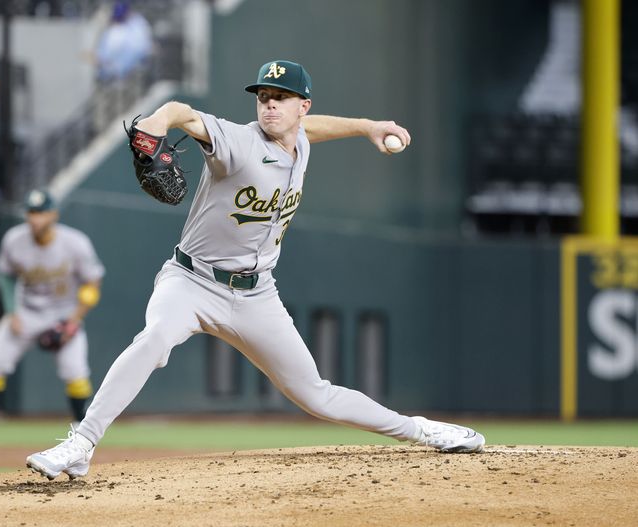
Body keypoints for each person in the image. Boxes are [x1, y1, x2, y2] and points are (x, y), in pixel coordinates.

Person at [26, 60, 486, 481]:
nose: (269, 105)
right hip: (190, 281)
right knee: (155, 338)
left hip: (256, 296)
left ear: (301, 106)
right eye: (263, 97)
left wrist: (367, 127)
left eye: (280, 97)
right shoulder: (239, 141)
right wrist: (156, 123)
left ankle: (421, 431)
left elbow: (313, 131)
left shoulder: (299, 140)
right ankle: (82, 444)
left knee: (314, 394)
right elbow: (183, 112)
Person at [0, 188, 105, 449]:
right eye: (31, 212)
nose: (35, 218)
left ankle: (82, 435)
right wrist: (11, 311)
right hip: (27, 311)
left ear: (53, 215)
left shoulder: (75, 243)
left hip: (63, 313)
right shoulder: (14, 240)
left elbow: (92, 282)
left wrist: (74, 320)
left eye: (40, 213)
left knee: (75, 371)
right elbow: (5, 275)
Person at [93, 0, 153, 83]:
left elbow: (141, 48)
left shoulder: (138, 23)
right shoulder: (114, 29)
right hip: (109, 70)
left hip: (128, 70)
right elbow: (102, 52)